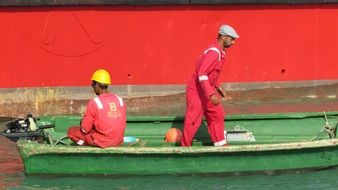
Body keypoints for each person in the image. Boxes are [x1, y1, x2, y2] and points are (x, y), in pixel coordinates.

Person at [181, 24, 239, 147]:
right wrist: (211, 94)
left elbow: (211, 72)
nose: (233, 42)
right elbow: (201, 74)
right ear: (223, 37)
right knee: (194, 119)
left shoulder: (220, 52)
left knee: (217, 113)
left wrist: (217, 86)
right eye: (232, 39)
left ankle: (220, 142)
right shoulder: (214, 53)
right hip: (197, 89)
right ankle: (185, 146)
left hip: (207, 88)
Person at [67, 69, 126, 148]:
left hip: (103, 142)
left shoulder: (94, 102)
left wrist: (82, 122)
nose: (92, 86)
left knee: (71, 131)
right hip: (118, 141)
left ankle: (85, 145)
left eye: (93, 84)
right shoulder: (120, 100)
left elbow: (85, 129)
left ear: (97, 84)